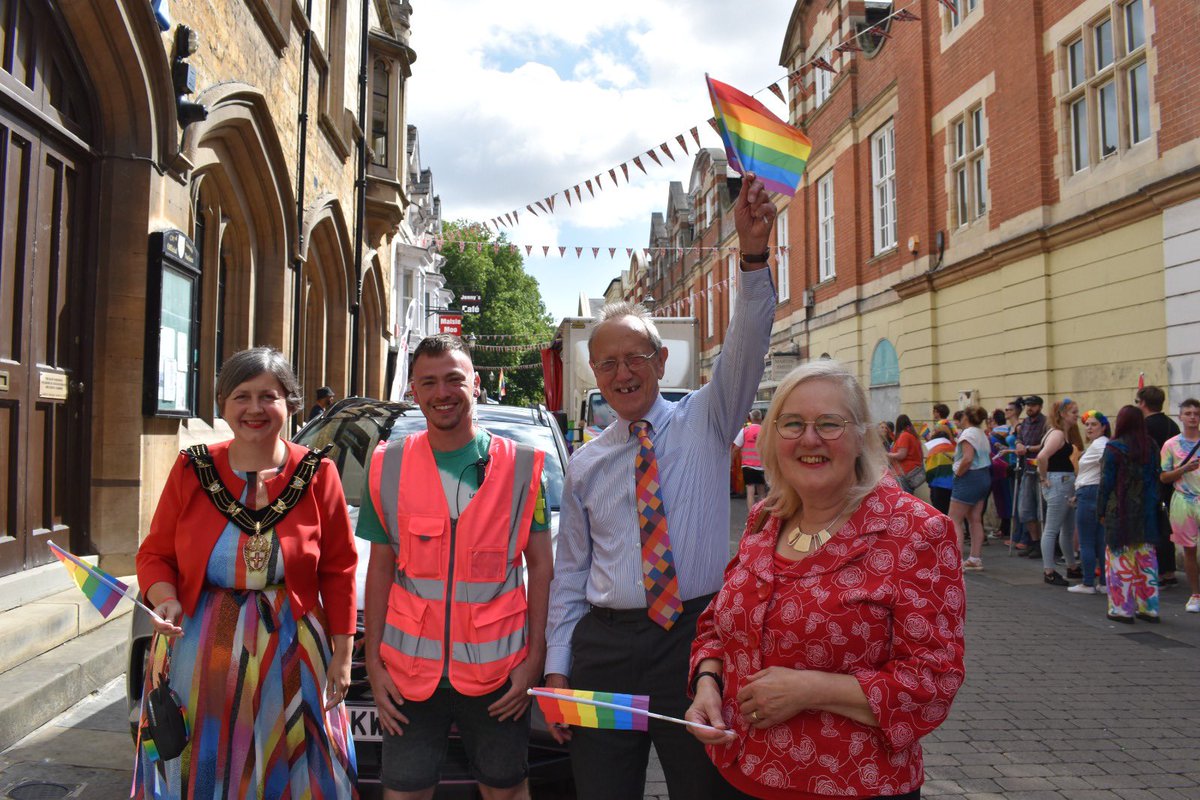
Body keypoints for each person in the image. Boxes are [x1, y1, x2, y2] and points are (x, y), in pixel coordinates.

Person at [544, 173, 778, 800]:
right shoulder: (587, 463)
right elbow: (571, 573)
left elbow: (748, 343)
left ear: (661, 362)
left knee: (706, 790)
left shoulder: (709, 417)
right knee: (601, 791)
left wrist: (752, 258)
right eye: (607, 363)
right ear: (594, 373)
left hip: (692, 643)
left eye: (635, 359)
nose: (622, 373)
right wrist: (558, 668)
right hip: (605, 650)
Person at [683, 359, 965, 799]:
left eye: (829, 424)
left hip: (850, 784)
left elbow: (933, 682)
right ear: (774, 439)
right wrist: (708, 683)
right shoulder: (765, 518)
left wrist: (811, 689)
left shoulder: (914, 530)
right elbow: (717, 625)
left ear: (861, 437)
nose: (809, 439)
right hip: (736, 773)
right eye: (792, 424)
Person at [134, 347, 358, 798]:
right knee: (204, 766)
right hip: (199, 648)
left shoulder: (318, 474)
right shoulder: (191, 470)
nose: (255, 408)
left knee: (301, 767)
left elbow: (339, 569)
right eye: (242, 396)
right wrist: (165, 597)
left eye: (269, 396)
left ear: (290, 404)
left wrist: (343, 651)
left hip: (293, 647)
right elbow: (155, 554)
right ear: (222, 404)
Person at [358, 334, 551, 800]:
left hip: (498, 675)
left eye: (453, 379)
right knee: (404, 793)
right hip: (408, 674)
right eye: (428, 382)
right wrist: (374, 663)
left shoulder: (524, 469)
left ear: (476, 384)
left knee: (506, 789)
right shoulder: (386, 467)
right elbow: (380, 570)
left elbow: (542, 569)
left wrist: (534, 662)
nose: (442, 392)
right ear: (414, 391)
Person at [1098, 405, 1162, 623]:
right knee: (1146, 559)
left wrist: (1100, 510)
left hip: (1121, 510)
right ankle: (1149, 608)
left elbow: (1106, 483)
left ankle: (1121, 608)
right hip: (1147, 510)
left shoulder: (1114, 447)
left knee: (1119, 558)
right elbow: (1156, 477)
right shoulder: (1151, 446)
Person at [1159, 398, 1200, 612]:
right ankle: (1195, 594)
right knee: (1189, 550)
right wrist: (1184, 469)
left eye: (1196, 413)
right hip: (1184, 501)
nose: (1193, 417)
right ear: (1180, 417)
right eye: (1188, 413)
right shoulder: (1171, 445)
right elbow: (1164, 477)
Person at [1138, 385, 1181, 586]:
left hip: (1150, 482)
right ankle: (1169, 570)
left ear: (1143, 403)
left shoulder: (1143, 426)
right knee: (1166, 525)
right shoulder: (1172, 424)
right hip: (1171, 481)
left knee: (1153, 526)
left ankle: (1158, 570)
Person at [1037, 398, 1082, 585]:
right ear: (1063, 414)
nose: (1077, 415)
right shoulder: (1056, 435)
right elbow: (1042, 456)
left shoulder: (1061, 433)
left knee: (1067, 528)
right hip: (1058, 482)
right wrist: (1044, 477)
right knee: (1052, 528)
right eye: (1074, 412)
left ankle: (1071, 566)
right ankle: (1049, 570)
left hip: (1064, 481)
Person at [1069, 410, 1111, 594]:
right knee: (1100, 541)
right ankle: (1103, 582)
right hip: (1093, 491)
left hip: (1090, 492)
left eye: (1094, 424)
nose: (1089, 428)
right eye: (1087, 424)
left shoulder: (1100, 445)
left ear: (1103, 427)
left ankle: (1087, 582)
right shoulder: (1099, 444)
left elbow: (1108, 462)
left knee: (1086, 541)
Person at [951, 405, 992, 571]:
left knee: (954, 519)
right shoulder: (981, 433)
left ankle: (955, 562)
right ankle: (975, 558)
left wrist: (959, 474)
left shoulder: (967, 434)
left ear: (966, 418)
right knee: (975, 519)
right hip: (983, 476)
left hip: (969, 477)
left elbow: (967, 459)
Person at [1014, 396, 1048, 558]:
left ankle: (1043, 544)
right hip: (1026, 469)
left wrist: (1026, 448)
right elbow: (1018, 439)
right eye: (1028, 405)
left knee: (1041, 509)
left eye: (1033, 405)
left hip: (1040, 470)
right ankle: (1034, 542)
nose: (1030, 408)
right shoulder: (1025, 423)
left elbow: (1045, 445)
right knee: (1025, 509)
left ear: (1040, 407)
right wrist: (1019, 444)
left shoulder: (1046, 423)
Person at [735, 409, 766, 510]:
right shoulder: (765, 432)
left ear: (751, 418)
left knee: (750, 492)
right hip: (761, 466)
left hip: (747, 466)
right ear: (761, 418)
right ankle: (761, 519)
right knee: (762, 493)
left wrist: (730, 461)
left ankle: (750, 519)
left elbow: (736, 448)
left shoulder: (744, 431)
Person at [924, 420, 956, 514]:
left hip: (938, 486)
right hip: (954, 486)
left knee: (940, 513)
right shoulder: (953, 447)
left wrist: (929, 482)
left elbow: (929, 472)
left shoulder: (934, 450)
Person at [887, 414, 925, 494]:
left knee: (902, 499)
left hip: (904, 474)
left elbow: (901, 455)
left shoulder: (904, 436)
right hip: (912, 473)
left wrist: (887, 454)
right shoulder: (914, 436)